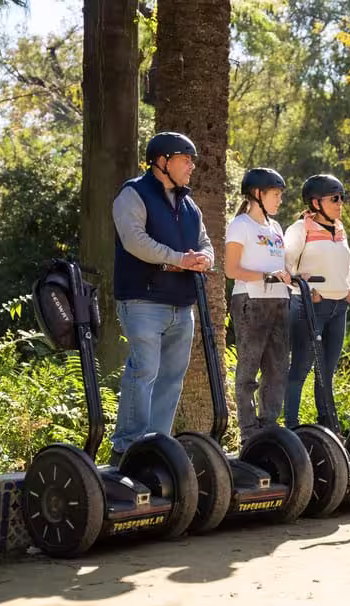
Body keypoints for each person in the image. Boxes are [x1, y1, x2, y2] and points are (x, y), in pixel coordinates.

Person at [109, 131, 214, 465]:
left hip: (182, 304)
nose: (191, 167)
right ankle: (126, 448)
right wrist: (178, 258)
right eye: (186, 160)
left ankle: (155, 450)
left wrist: (205, 258)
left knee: (171, 378)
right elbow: (134, 241)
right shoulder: (133, 194)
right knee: (144, 372)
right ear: (162, 161)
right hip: (143, 301)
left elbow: (205, 241)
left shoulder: (189, 203)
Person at [283, 174, 350, 430]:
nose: (341, 203)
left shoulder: (339, 229)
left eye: (342, 198)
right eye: (335, 199)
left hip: (339, 308)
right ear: (315, 203)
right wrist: (306, 289)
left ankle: (326, 427)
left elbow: (343, 265)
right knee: (301, 368)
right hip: (310, 307)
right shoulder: (299, 229)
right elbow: (285, 268)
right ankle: (291, 427)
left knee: (326, 372)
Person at [225, 168, 291, 445]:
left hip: (280, 301)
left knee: (277, 369)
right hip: (251, 301)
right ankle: (249, 432)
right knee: (249, 369)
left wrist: (294, 275)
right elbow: (231, 269)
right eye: (275, 194)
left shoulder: (275, 228)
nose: (279, 200)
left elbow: (280, 265)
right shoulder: (240, 225)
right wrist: (266, 276)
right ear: (257, 194)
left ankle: (269, 427)